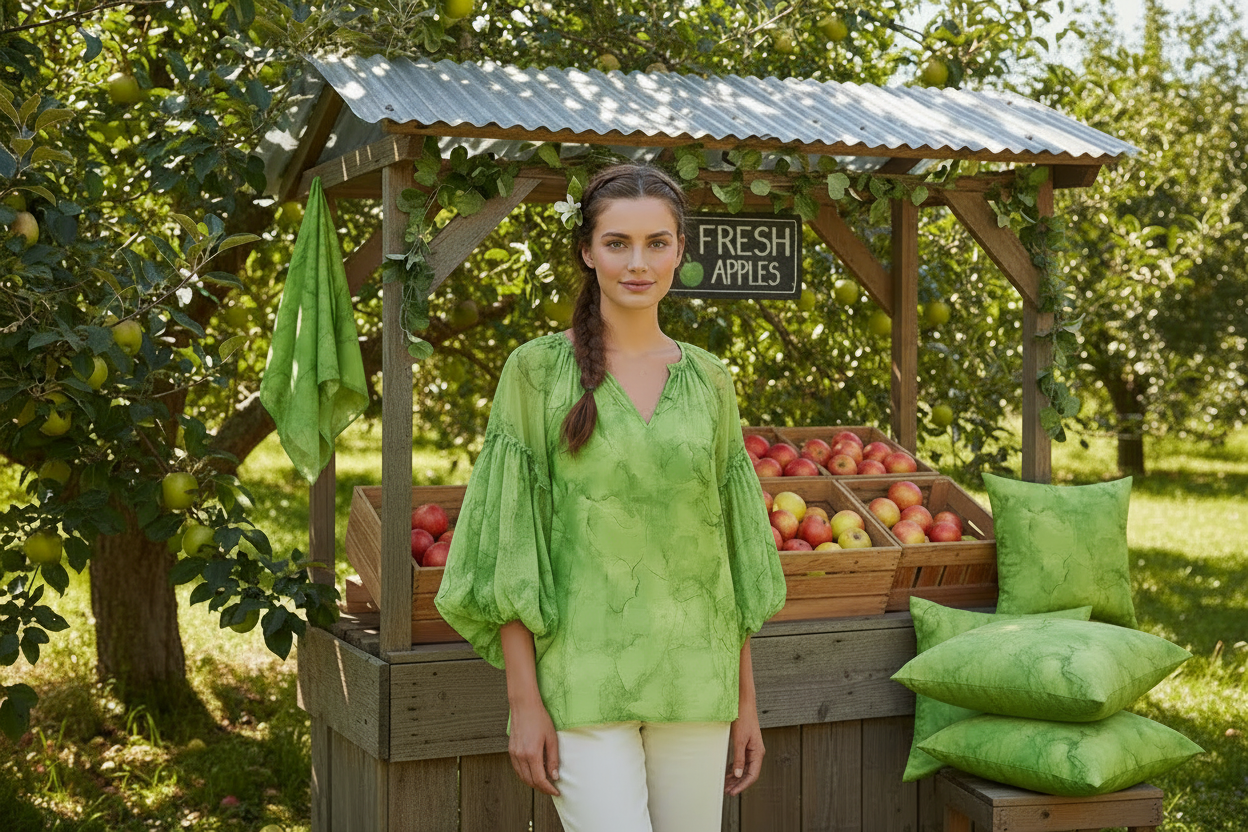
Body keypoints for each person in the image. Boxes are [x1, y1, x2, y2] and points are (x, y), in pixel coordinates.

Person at [433, 162, 787, 832]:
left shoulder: (710, 380)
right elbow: (512, 544)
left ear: (680, 251)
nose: (638, 262)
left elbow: (730, 556)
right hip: (580, 679)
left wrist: (745, 701)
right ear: (587, 251)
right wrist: (524, 702)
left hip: (697, 680)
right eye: (618, 243)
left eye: (657, 243)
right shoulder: (535, 371)